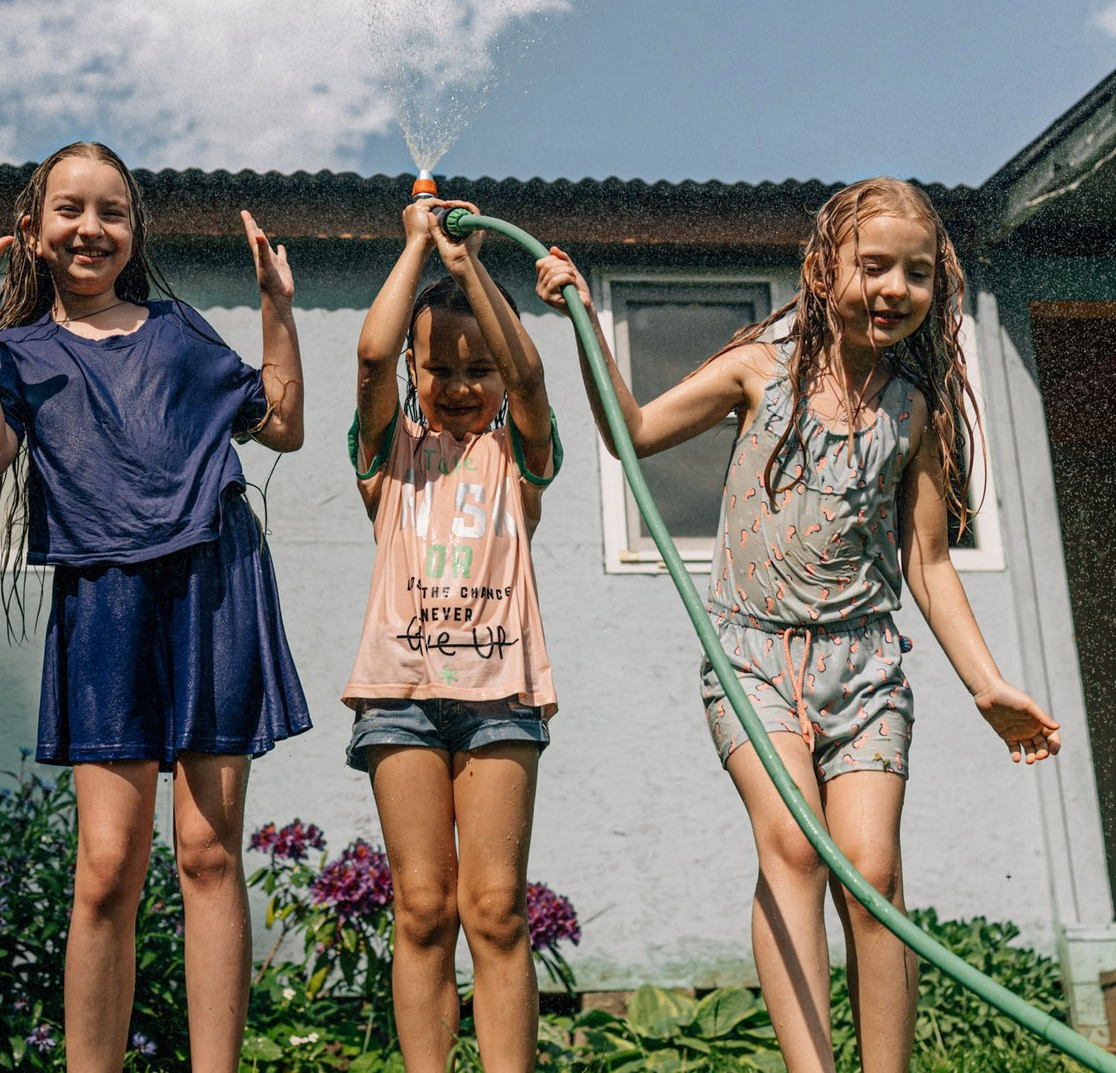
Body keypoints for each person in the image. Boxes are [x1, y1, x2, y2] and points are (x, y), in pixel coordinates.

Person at [535, 177, 1061, 1073]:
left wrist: (989, 685)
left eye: (919, 273)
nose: (896, 288)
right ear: (825, 269)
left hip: (864, 671)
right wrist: (586, 321)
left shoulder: (914, 411)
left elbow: (929, 566)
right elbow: (634, 431)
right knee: (792, 846)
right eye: (875, 266)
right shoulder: (759, 368)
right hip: (752, 659)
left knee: (872, 873)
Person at [0, 141, 311, 1073]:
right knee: (107, 869)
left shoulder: (178, 329)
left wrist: (278, 312)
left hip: (213, 584)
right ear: (35, 232)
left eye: (112, 211)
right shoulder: (20, 351)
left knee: (207, 855)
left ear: (134, 231)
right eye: (72, 211)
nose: (92, 228)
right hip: (105, 596)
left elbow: (279, 421)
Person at [343, 195, 562, 1073]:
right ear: (414, 369)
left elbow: (535, 378)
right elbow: (368, 353)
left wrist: (472, 270)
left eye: (481, 368)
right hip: (400, 701)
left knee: (498, 909)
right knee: (423, 907)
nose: (464, 384)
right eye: (441, 366)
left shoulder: (520, 457)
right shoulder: (387, 456)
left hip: (500, 701)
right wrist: (415, 251)